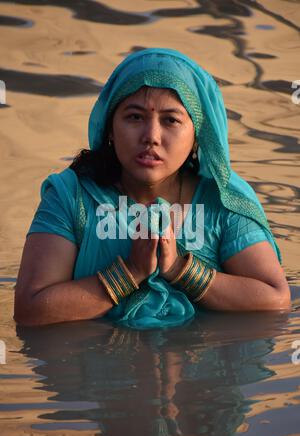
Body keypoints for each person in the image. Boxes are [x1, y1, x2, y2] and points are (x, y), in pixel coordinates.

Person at [14, 48, 291, 328]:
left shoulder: (224, 200)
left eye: (170, 120)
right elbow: (30, 309)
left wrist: (179, 270)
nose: (151, 137)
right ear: (110, 127)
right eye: (134, 117)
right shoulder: (71, 196)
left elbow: (275, 299)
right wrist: (130, 273)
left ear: (197, 135)